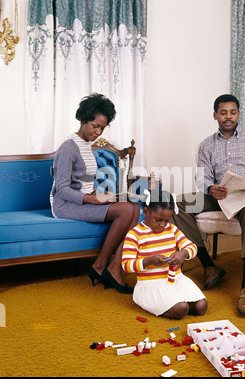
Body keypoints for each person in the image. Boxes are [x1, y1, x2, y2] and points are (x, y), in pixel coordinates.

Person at [171, 94, 245, 317]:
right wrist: (209, 188)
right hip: (222, 195)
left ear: (238, 114)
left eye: (232, 112)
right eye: (223, 112)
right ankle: (208, 265)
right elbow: (202, 177)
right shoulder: (206, 145)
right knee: (177, 204)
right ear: (215, 115)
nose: (228, 117)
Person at [50, 93, 140, 294]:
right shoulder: (68, 148)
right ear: (83, 120)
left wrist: (102, 195)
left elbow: (84, 184)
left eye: (102, 127)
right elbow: (62, 189)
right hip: (64, 205)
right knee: (126, 211)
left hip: (81, 201)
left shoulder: (86, 146)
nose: (98, 131)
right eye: (95, 126)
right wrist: (94, 199)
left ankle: (113, 267)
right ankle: (101, 266)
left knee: (134, 207)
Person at [122, 189, 207, 320]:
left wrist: (183, 254)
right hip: (151, 284)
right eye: (158, 220)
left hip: (176, 280)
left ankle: (175, 302)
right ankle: (167, 306)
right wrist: (148, 261)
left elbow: (192, 247)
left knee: (201, 306)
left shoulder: (171, 229)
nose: (162, 225)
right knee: (181, 309)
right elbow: (126, 265)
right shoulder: (134, 234)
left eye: (167, 220)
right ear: (146, 212)